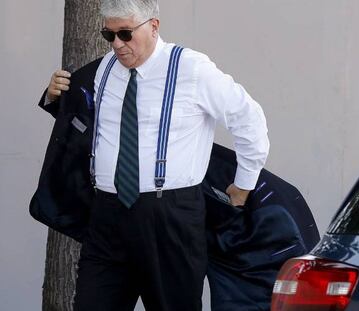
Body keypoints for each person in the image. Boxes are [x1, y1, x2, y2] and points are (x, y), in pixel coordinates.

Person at [40, 0, 269, 310]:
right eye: (109, 36)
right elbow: (79, 122)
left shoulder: (191, 68)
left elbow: (248, 119)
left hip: (170, 218)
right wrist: (52, 96)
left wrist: (243, 185)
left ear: (153, 26)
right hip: (107, 216)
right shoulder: (104, 69)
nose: (117, 45)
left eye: (125, 34)